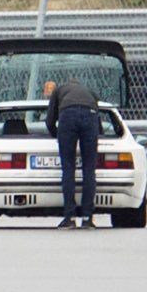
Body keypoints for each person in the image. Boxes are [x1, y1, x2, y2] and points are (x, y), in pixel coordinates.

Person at [43, 78, 100, 229]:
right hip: (90, 115)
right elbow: (98, 124)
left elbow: (49, 120)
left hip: (68, 116)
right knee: (89, 169)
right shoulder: (90, 92)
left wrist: (57, 135)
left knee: (68, 169)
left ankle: (70, 217)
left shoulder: (59, 90)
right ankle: (88, 218)